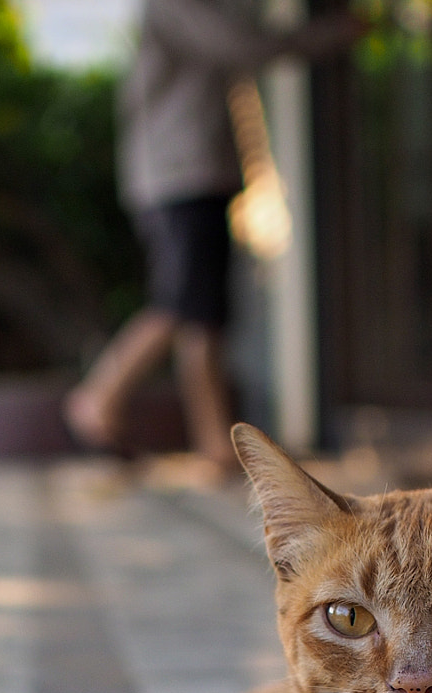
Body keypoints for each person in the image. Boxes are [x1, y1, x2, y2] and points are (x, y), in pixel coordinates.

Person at [65, 0, 362, 477]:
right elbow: (241, 44)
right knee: (183, 304)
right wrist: (332, 33)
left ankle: (213, 443)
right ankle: (100, 397)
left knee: (201, 318)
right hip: (181, 175)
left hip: (190, 173)